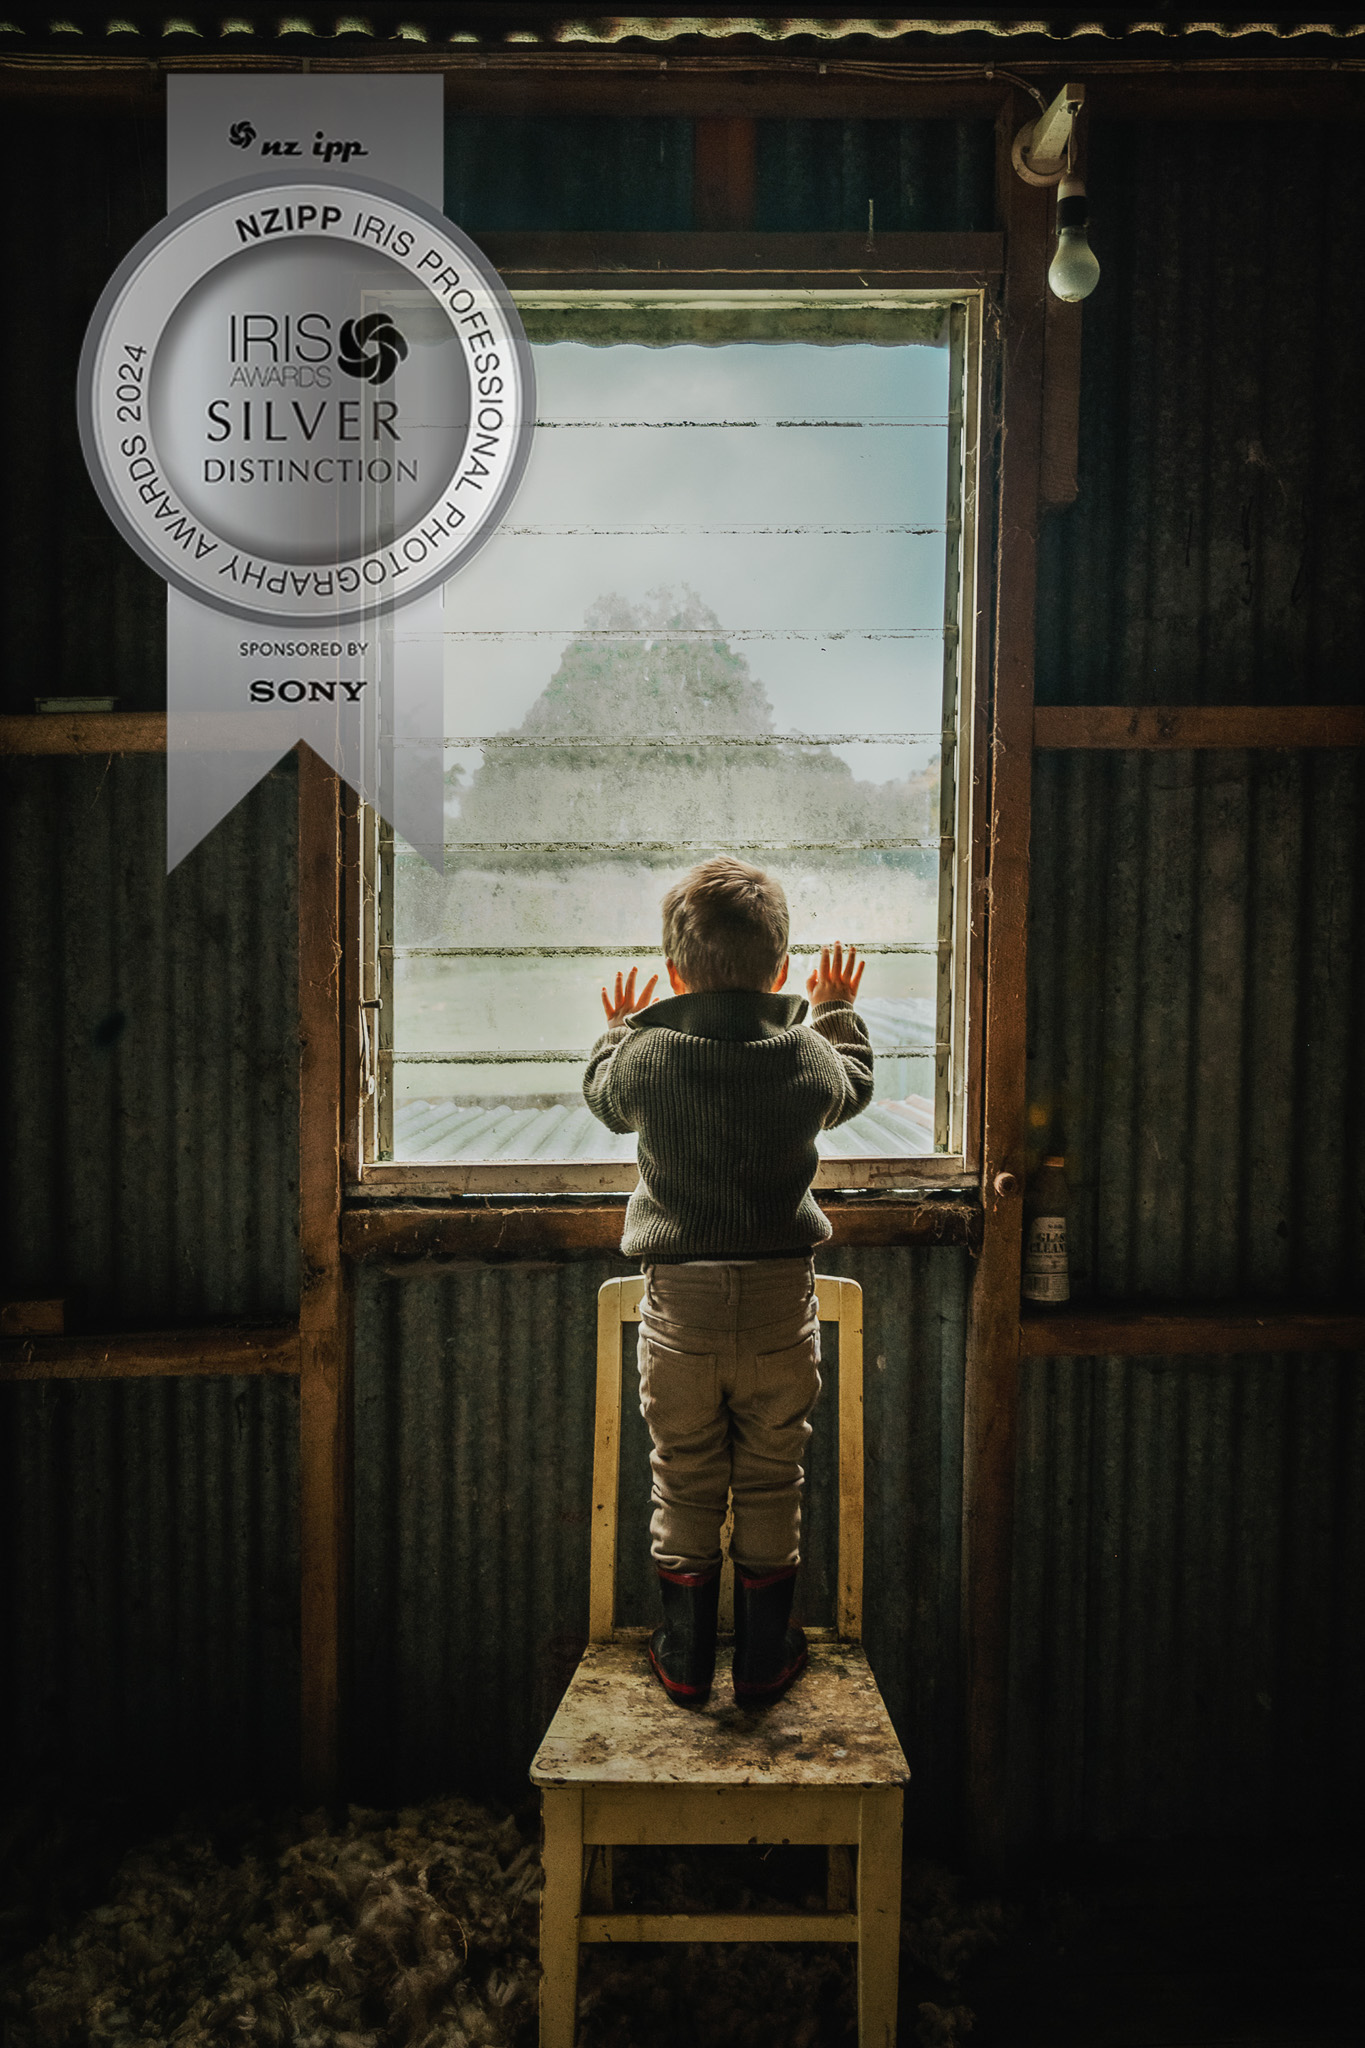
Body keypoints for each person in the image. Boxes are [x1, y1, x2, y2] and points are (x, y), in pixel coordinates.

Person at [583, 856, 874, 1708]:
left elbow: (601, 1096)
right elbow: (853, 1085)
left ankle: (680, 1653)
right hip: (784, 1308)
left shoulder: (647, 1057)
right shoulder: (806, 1054)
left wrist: (615, 1027)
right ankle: (759, 1658)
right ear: (781, 971)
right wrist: (837, 1011)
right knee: (771, 1478)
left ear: (673, 973)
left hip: (680, 1312)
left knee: (683, 1472)